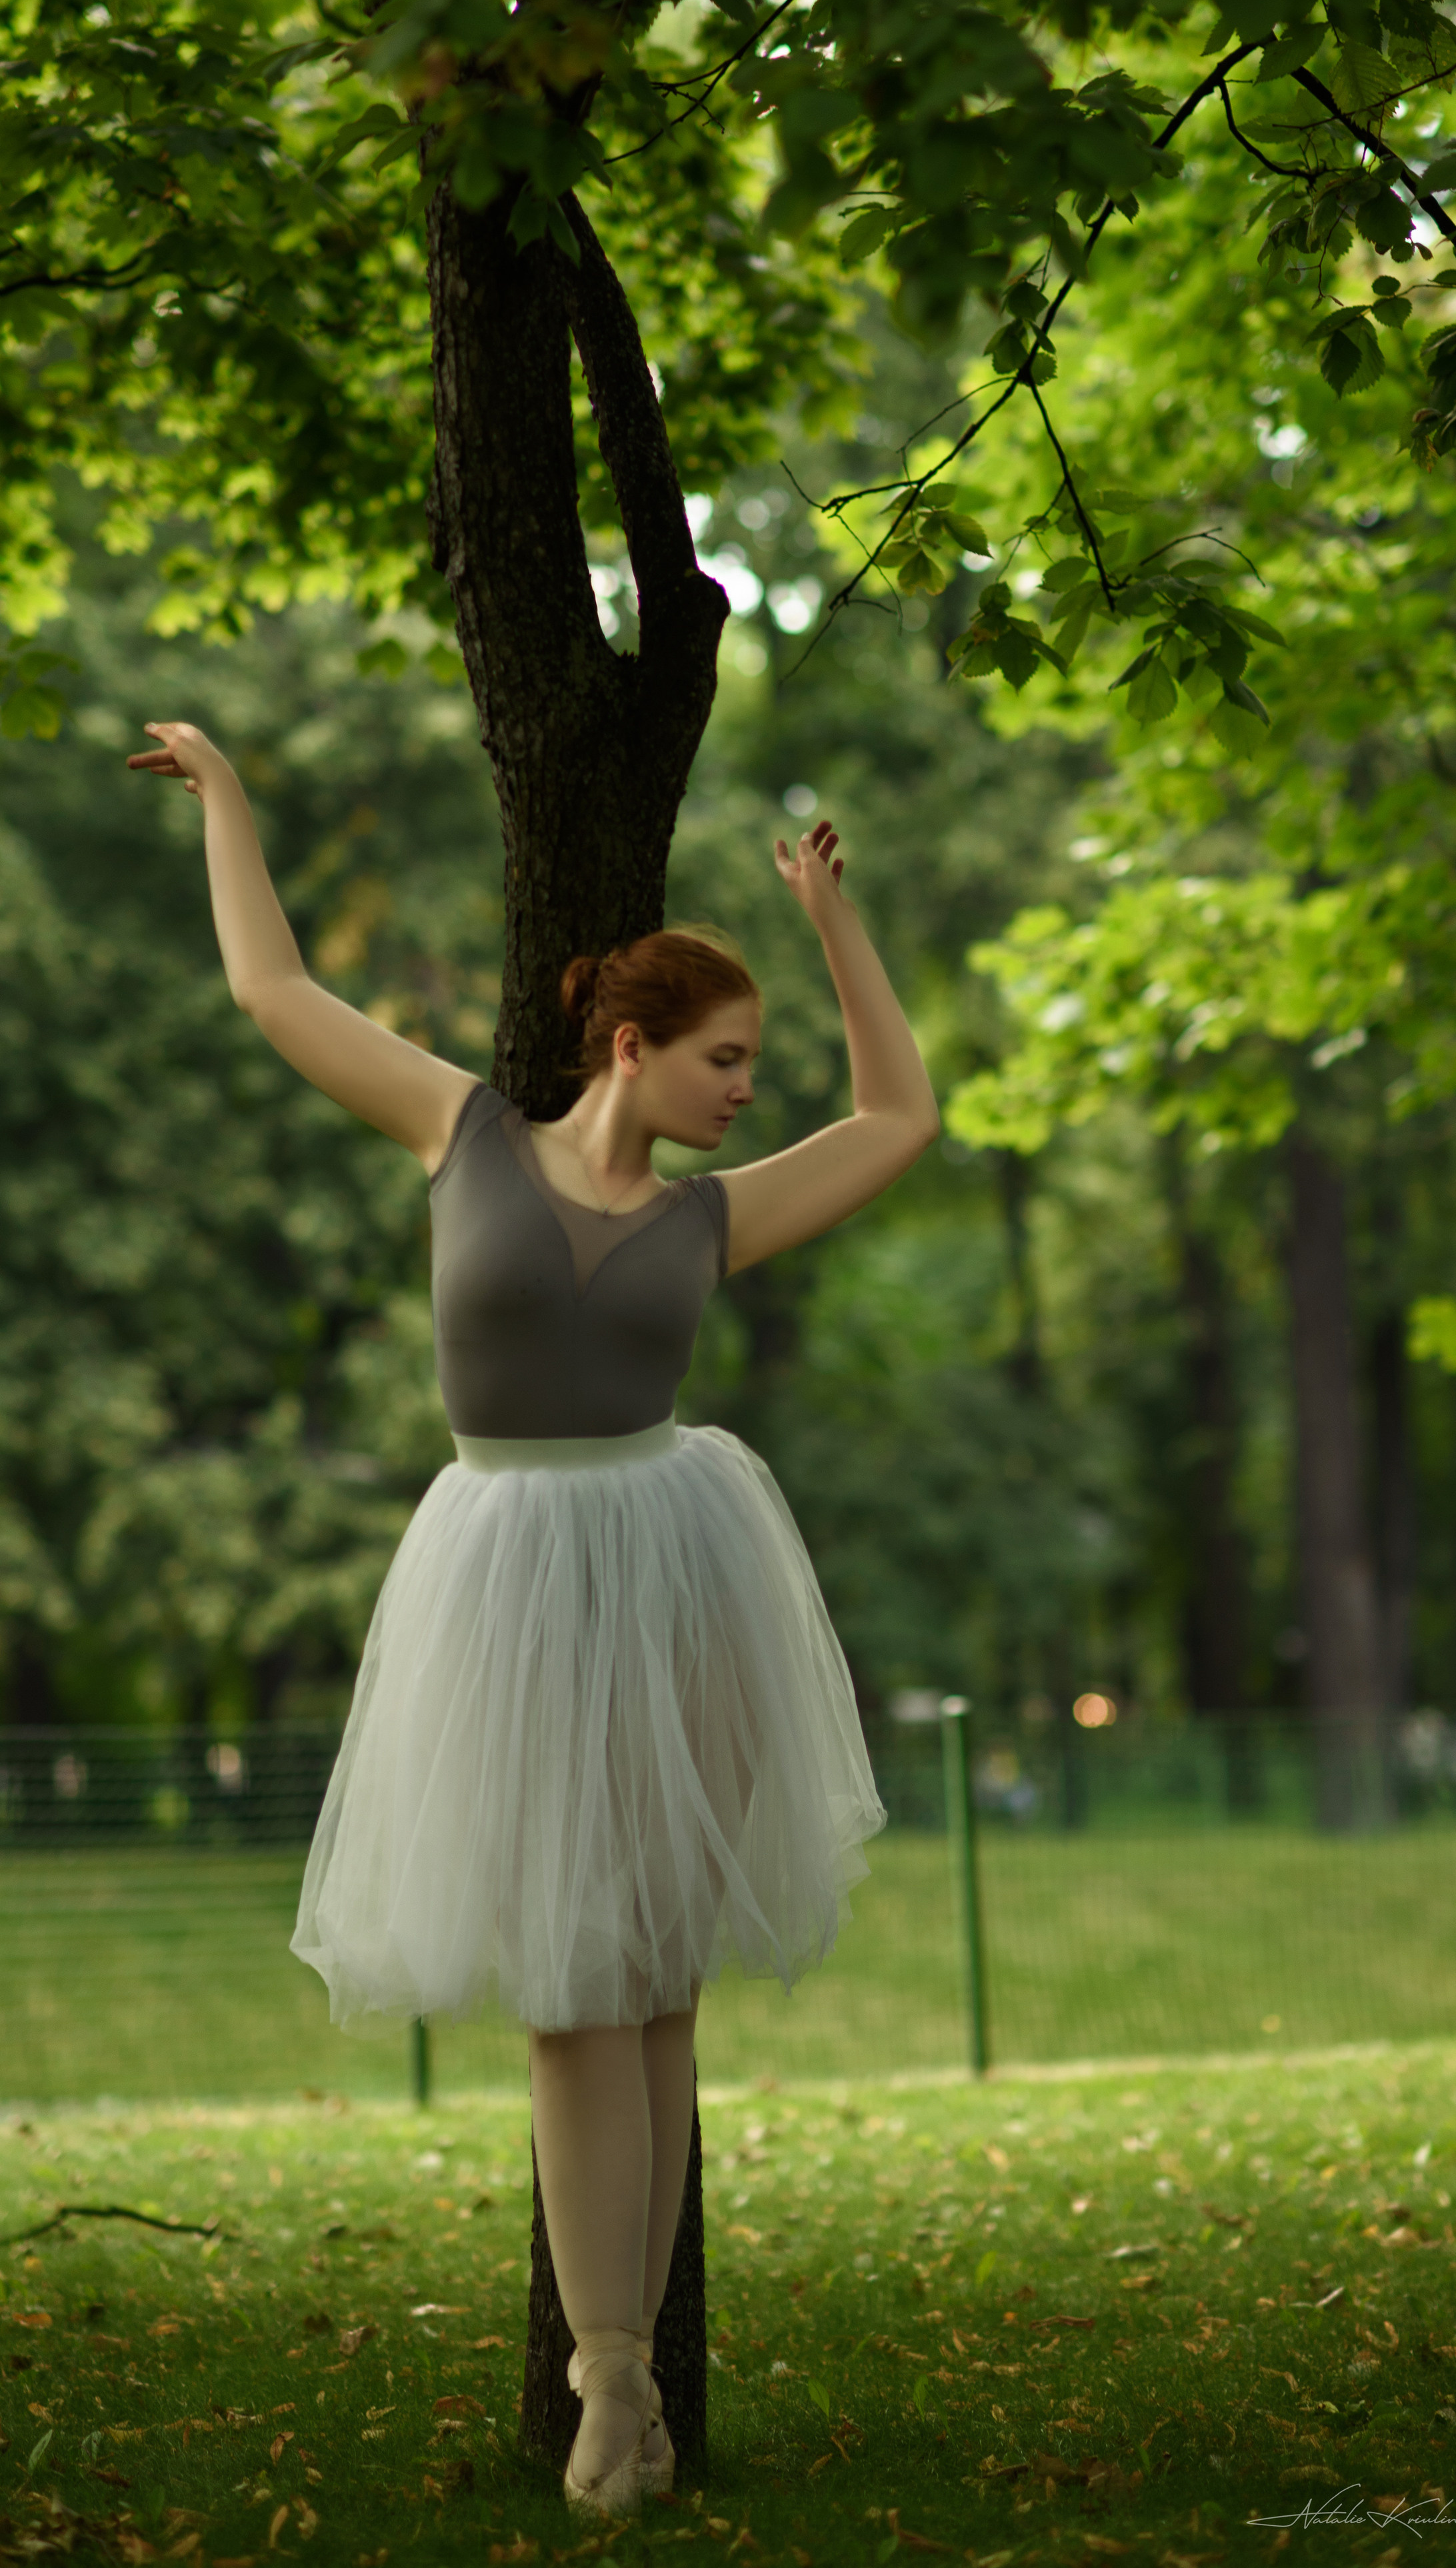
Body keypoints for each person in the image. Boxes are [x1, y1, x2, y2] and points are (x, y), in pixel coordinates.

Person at [129, 719, 941, 2515]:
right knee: (576, 1998)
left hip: (674, 1577)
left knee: (651, 1998)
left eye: (756, 1064)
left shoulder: (717, 1219)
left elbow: (902, 1119)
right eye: (725, 1060)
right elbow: (272, 990)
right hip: (504, 1573)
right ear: (629, 1048)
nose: (747, 1089)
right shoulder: (464, 1135)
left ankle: (630, 2399)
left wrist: (830, 924)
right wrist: (236, 802)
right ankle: (610, 2386)